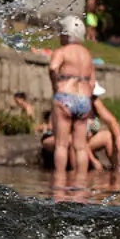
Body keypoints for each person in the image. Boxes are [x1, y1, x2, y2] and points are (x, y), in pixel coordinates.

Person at [48, 15, 96, 181]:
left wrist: (55, 86)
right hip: (84, 100)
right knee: (81, 147)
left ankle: (59, 186)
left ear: (66, 34)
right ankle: (81, 187)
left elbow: (53, 68)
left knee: (61, 144)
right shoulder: (87, 55)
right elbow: (92, 81)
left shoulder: (62, 51)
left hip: (64, 97)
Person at [42, 84, 120, 172]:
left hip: (83, 142)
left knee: (108, 136)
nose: (94, 97)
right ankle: (76, 173)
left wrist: (119, 138)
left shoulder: (95, 101)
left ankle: (117, 169)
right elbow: (75, 136)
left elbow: (111, 120)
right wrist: (94, 161)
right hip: (56, 138)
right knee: (71, 140)